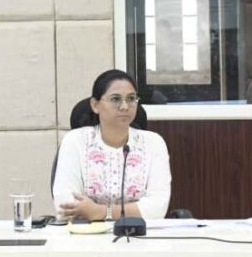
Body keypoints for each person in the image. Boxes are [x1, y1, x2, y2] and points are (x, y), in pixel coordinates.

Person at [53, 69, 171, 220]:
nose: (125, 106)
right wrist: (132, 211)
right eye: (115, 99)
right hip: (85, 232)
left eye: (131, 98)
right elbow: (66, 205)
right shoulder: (75, 141)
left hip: (138, 232)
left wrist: (100, 212)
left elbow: (157, 209)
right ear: (95, 105)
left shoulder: (153, 143)